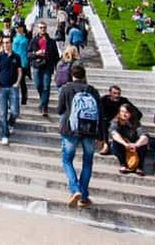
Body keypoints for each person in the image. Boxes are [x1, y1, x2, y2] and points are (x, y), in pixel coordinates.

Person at [57, 62, 102, 209]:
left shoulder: (66, 88)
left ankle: (75, 189)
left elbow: (60, 110)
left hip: (71, 129)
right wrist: (102, 136)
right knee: (87, 162)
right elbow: (100, 114)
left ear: (72, 75)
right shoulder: (93, 90)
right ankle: (83, 196)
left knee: (67, 160)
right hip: (90, 131)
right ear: (84, 75)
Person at [0, 35, 22, 146]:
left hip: (13, 87)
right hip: (2, 88)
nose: (6, 44)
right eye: (4, 42)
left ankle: (11, 123)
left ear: (11, 43)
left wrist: (17, 83)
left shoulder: (17, 56)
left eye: (8, 42)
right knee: (2, 113)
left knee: (15, 111)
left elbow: (20, 71)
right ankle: (5, 135)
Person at [28, 22, 60, 117]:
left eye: (44, 27)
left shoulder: (51, 41)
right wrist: (36, 53)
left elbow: (56, 56)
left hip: (48, 66)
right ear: (38, 29)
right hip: (37, 66)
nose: (42, 29)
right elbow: (28, 54)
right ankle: (43, 100)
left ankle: (44, 106)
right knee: (39, 85)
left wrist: (57, 68)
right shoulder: (33, 41)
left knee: (46, 87)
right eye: (41, 28)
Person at [98, 85, 141, 155]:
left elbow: (138, 113)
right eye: (114, 93)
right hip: (106, 121)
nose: (117, 95)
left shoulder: (123, 101)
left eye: (118, 93)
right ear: (110, 93)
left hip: (120, 121)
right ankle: (105, 145)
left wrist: (128, 120)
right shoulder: (104, 100)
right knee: (103, 122)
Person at [110, 103, 149, 175]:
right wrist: (125, 144)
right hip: (122, 146)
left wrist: (136, 145)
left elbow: (145, 136)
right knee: (116, 141)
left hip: (134, 146)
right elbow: (114, 134)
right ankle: (123, 164)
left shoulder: (136, 123)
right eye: (122, 111)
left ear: (131, 113)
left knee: (143, 143)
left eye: (126, 112)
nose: (124, 114)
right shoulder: (116, 121)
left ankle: (139, 166)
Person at [12, 24, 30, 105]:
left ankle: (24, 97)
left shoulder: (27, 37)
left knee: (22, 80)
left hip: (23, 60)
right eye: (16, 27)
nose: (18, 29)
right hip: (14, 60)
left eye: (19, 27)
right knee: (13, 80)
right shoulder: (14, 36)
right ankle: (13, 98)